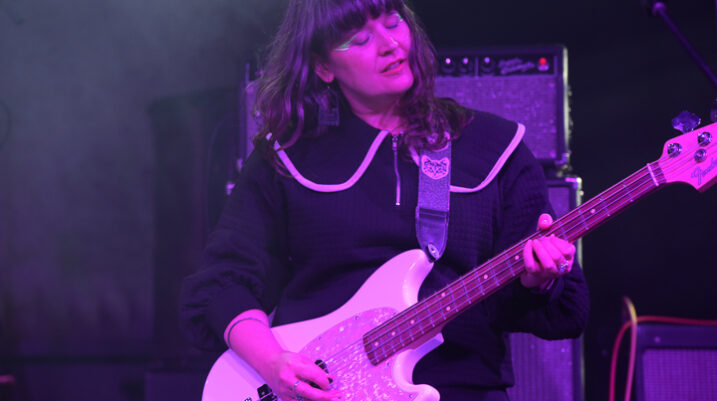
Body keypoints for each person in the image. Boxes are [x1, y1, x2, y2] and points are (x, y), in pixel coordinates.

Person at [180, 0, 589, 400]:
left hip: (462, 387)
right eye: (359, 39)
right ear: (323, 67)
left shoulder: (495, 147)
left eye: (393, 22)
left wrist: (538, 280)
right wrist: (273, 363)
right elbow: (222, 283)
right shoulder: (288, 157)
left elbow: (565, 311)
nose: (390, 44)